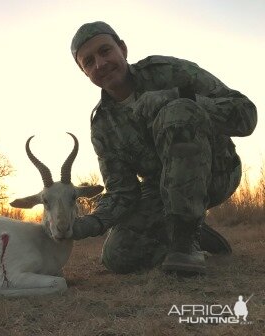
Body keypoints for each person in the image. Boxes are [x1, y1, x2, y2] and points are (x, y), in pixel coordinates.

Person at [70, 21, 257, 275]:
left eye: (105, 51)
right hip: (161, 189)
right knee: (117, 256)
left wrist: (180, 97)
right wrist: (88, 223)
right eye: (88, 62)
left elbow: (246, 115)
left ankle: (184, 241)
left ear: (122, 49)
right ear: (84, 72)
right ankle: (192, 235)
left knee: (176, 111)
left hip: (217, 172)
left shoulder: (168, 72)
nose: (100, 64)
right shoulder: (102, 125)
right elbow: (122, 193)